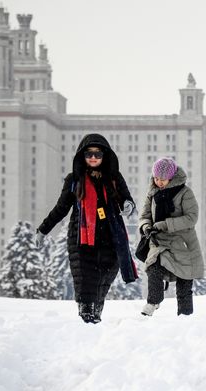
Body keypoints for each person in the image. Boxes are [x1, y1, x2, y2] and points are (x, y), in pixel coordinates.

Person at [35, 133, 138, 323]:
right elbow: (61, 208)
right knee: (85, 283)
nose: (93, 158)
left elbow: (126, 198)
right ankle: (86, 320)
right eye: (88, 154)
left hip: (110, 237)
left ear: (104, 156)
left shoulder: (114, 178)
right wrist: (43, 230)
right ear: (82, 156)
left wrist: (128, 205)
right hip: (82, 239)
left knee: (103, 280)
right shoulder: (74, 180)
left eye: (97, 154)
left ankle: (95, 320)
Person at [138, 157, 205, 316]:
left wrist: (166, 224)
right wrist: (146, 226)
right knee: (153, 267)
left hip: (183, 243)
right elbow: (145, 215)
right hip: (159, 241)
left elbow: (191, 218)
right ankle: (153, 301)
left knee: (184, 280)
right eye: (156, 178)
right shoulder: (152, 193)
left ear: (171, 178)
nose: (159, 182)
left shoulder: (185, 193)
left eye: (163, 179)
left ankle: (185, 314)